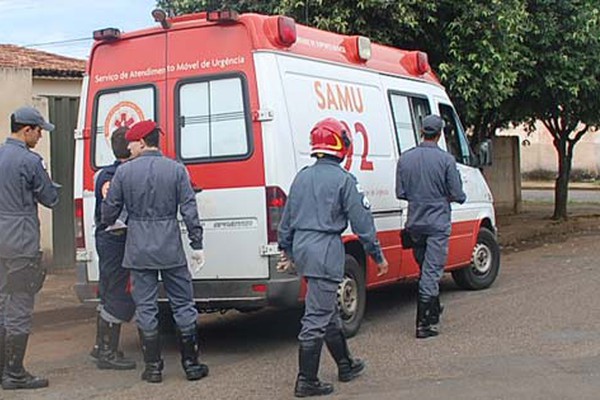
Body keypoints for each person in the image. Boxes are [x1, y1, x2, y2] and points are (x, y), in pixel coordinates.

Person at [278, 117, 389, 398]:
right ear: (341, 144)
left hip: (304, 247)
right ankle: (306, 381)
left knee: (325, 309)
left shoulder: (301, 176)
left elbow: (286, 219)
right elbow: (362, 222)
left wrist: (287, 251)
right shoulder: (344, 180)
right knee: (316, 315)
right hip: (326, 249)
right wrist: (377, 255)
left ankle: (345, 364)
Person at [101, 120, 208, 383]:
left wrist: (114, 223)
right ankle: (191, 365)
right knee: (183, 303)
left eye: (131, 143)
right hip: (170, 245)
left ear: (140, 142)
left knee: (146, 306)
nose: (128, 147)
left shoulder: (123, 173)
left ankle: (153, 368)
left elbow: (109, 211)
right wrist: (197, 243)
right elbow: (189, 209)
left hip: (138, 247)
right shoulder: (176, 169)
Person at [0, 106, 60, 390]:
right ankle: (14, 373)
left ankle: (3, 369)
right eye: (39, 131)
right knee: (20, 304)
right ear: (27, 130)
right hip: (20, 241)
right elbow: (49, 198)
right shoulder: (30, 160)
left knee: (2, 303)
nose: (40, 136)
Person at [395, 114, 466, 339]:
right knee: (432, 272)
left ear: (421, 131)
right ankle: (424, 323)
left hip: (415, 223)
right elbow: (457, 194)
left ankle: (433, 309)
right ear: (439, 134)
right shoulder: (446, 160)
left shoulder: (405, 159)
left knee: (425, 268)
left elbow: (401, 192)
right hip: (437, 223)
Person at [89, 127, 136, 370]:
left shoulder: (103, 174)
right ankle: (108, 352)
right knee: (116, 291)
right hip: (117, 237)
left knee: (107, 289)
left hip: (105, 237)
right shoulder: (123, 174)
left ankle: (101, 346)